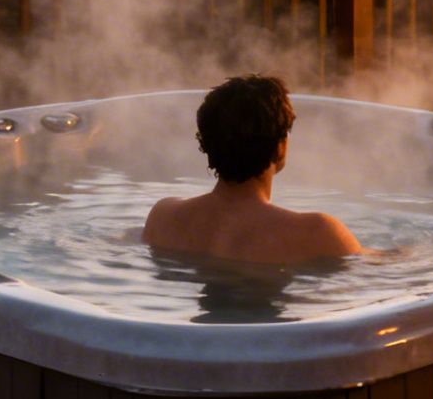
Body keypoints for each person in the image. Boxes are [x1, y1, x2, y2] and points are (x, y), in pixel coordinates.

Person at [141, 75, 362, 265]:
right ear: (280, 146)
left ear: (207, 144)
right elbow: (376, 271)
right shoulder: (317, 233)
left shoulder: (162, 217)